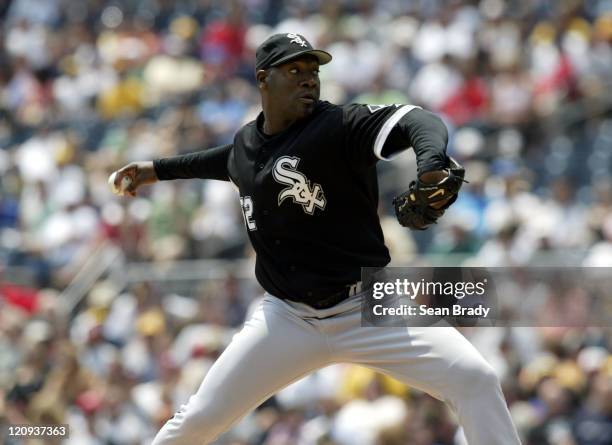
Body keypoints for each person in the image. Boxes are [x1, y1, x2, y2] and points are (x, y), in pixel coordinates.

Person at [112, 33, 521, 444]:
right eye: (295, 70)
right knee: (198, 421)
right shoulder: (245, 146)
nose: (309, 79)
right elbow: (221, 161)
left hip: (368, 305)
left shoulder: (339, 126)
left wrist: (430, 159)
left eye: (313, 71)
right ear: (262, 79)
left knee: (475, 378)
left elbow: (419, 119)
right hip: (287, 318)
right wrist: (155, 169)